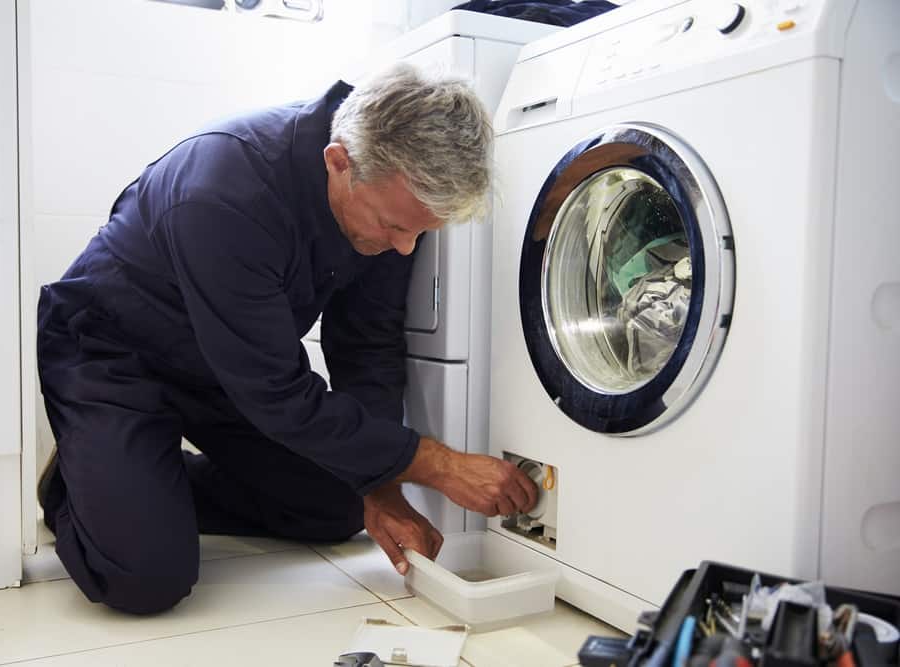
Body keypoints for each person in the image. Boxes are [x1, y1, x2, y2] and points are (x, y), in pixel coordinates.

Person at [36, 63, 538, 615]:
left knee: (338, 506)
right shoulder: (225, 188)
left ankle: (147, 481)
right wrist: (437, 464)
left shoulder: (384, 201)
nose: (404, 248)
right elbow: (276, 393)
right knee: (144, 577)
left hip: (222, 367)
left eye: (421, 231)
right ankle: (80, 482)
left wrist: (383, 487)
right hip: (112, 352)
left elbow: (366, 346)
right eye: (396, 227)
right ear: (339, 163)